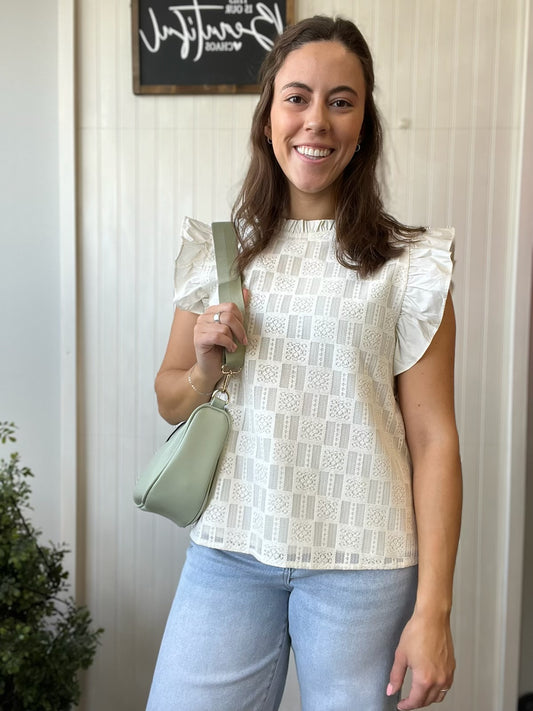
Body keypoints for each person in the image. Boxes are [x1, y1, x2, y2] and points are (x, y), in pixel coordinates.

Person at [147, 15, 462, 711]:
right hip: (230, 551)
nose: (316, 120)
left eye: (340, 101)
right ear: (268, 118)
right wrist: (204, 368)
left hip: (363, 564)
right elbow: (170, 399)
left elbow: (434, 438)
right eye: (296, 98)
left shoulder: (410, 267)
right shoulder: (220, 254)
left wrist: (433, 609)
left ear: (363, 126)